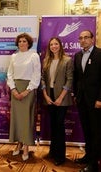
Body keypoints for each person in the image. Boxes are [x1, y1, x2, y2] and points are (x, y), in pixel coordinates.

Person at [7, 33, 41, 161]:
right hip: (16, 89)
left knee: (27, 118)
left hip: (29, 90)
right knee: (17, 118)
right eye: (20, 41)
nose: (22, 43)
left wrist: (27, 90)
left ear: (29, 43)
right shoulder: (14, 56)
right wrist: (14, 89)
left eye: (24, 41)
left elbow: (36, 75)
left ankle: (26, 146)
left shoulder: (34, 56)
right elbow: (9, 74)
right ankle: (19, 143)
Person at [41, 37, 73, 166]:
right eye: (51, 44)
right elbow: (42, 79)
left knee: (59, 125)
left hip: (62, 97)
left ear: (60, 45)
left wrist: (60, 98)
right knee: (53, 125)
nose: (53, 46)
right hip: (49, 96)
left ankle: (60, 156)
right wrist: (45, 95)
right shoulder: (46, 61)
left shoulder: (67, 60)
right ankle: (53, 151)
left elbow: (69, 80)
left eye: (56, 44)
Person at [73, 30, 101, 172]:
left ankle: (94, 164)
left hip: (96, 102)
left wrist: (99, 99)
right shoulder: (77, 56)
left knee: (96, 132)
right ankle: (89, 156)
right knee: (87, 130)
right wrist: (75, 95)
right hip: (82, 100)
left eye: (86, 37)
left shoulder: (99, 54)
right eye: (81, 38)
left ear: (92, 39)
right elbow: (77, 77)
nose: (83, 40)